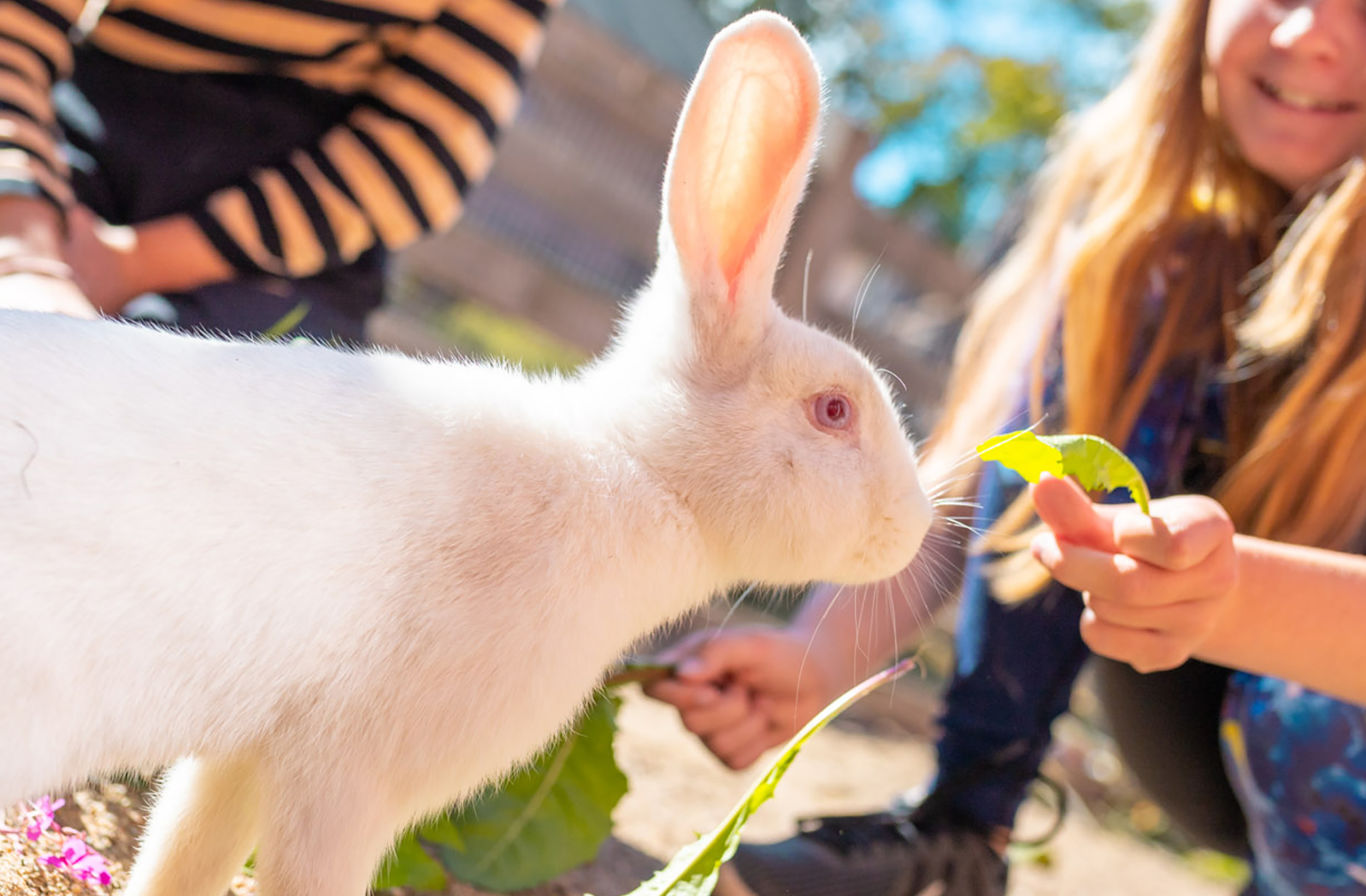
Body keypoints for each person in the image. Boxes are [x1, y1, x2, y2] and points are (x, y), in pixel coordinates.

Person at [646, 0, 1366, 893]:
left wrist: (1243, 594)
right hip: (1213, 715)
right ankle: (960, 828)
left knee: (1311, 710)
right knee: (1129, 273)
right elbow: (988, 463)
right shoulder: (1146, 226)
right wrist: (820, 654)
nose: (1311, 34)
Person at [0, 0, 562, 342]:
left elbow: (424, 151)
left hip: (286, 242)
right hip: (67, 166)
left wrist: (134, 265)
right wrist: (27, 258)